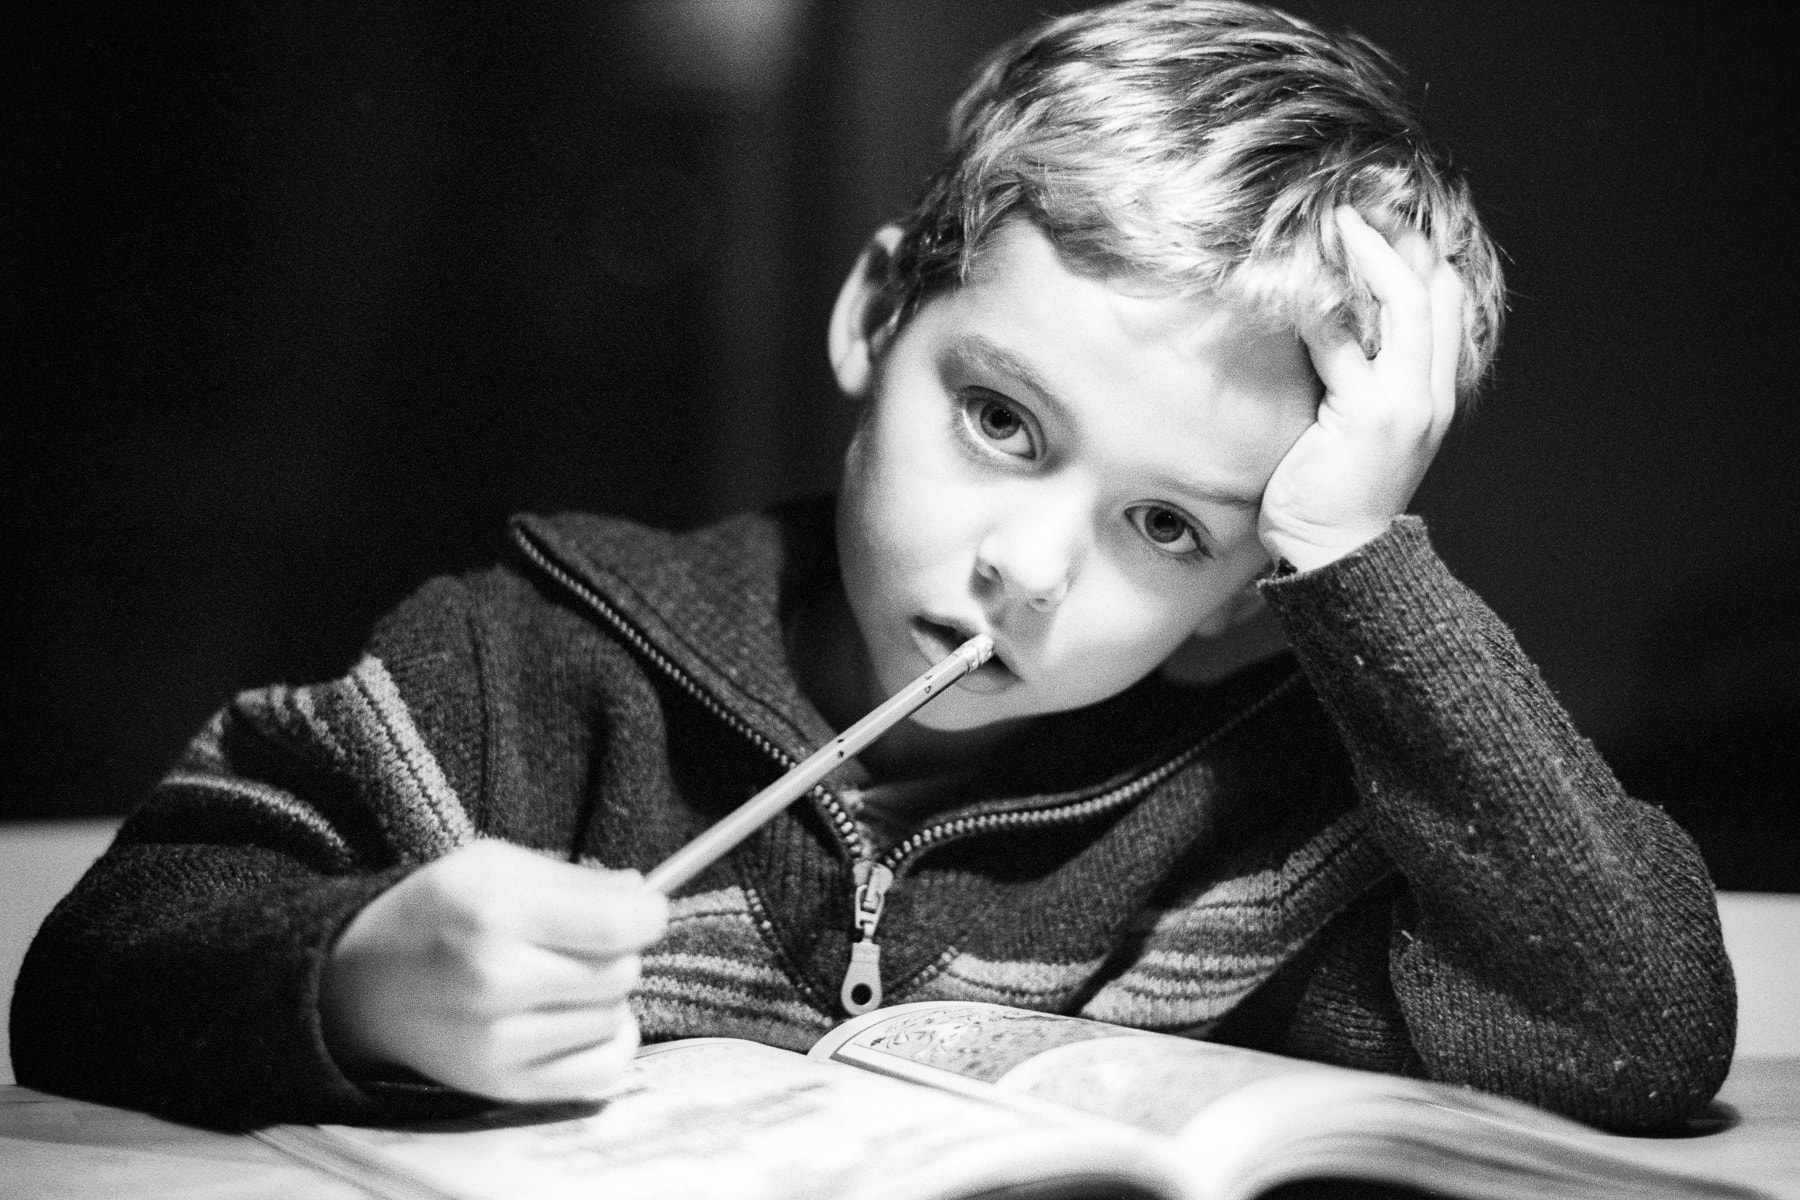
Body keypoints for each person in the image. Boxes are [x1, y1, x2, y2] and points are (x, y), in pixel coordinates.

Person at [12, 0, 1733, 1134]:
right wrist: (363, 972)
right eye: (999, 418)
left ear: (1245, 583)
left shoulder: (1253, 827)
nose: (1032, 572)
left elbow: (1633, 1030)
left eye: (1170, 528)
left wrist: (1358, 563)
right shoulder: (512, 672)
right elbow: (97, 966)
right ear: (870, 315)